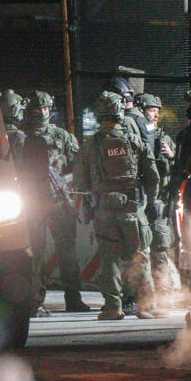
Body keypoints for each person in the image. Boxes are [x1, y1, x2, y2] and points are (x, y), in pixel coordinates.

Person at [73, 91, 166, 320]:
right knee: (139, 256)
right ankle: (146, 306)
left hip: (104, 209)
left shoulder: (90, 145)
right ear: (119, 111)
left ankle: (113, 307)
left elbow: (79, 181)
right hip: (133, 208)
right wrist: (147, 202)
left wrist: (89, 204)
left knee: (108, 259)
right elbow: (153, 176)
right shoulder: (134, 141)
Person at [11, 91, 90, 315]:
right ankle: (34, 300)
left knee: (68, 252)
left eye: (45, 109)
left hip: (58, 202)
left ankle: (73, 299)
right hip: (31, 203)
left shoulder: (61, 136)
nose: (42, 113)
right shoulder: (19, 138)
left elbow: (77, 165)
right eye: (37, 109)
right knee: (33, 253)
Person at [139, 93, 179, 308]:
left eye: (156, 110)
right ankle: (140, 297)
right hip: (141, 201)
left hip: (160, 202)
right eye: (150, 110)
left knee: (161, 249)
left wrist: (171, 156)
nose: (154, 115)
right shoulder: (137, 137)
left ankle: (164, 296)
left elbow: (179, 167)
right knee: (138, 252)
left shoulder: (164, 138)